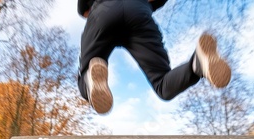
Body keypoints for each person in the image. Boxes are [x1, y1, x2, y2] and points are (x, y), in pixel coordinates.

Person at [77, 0, 231, 114]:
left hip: (102, 12)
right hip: (138, 11)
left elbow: (83, 10)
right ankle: (197, 64)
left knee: (86, 71)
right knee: (162, 83)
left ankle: (90, 78)